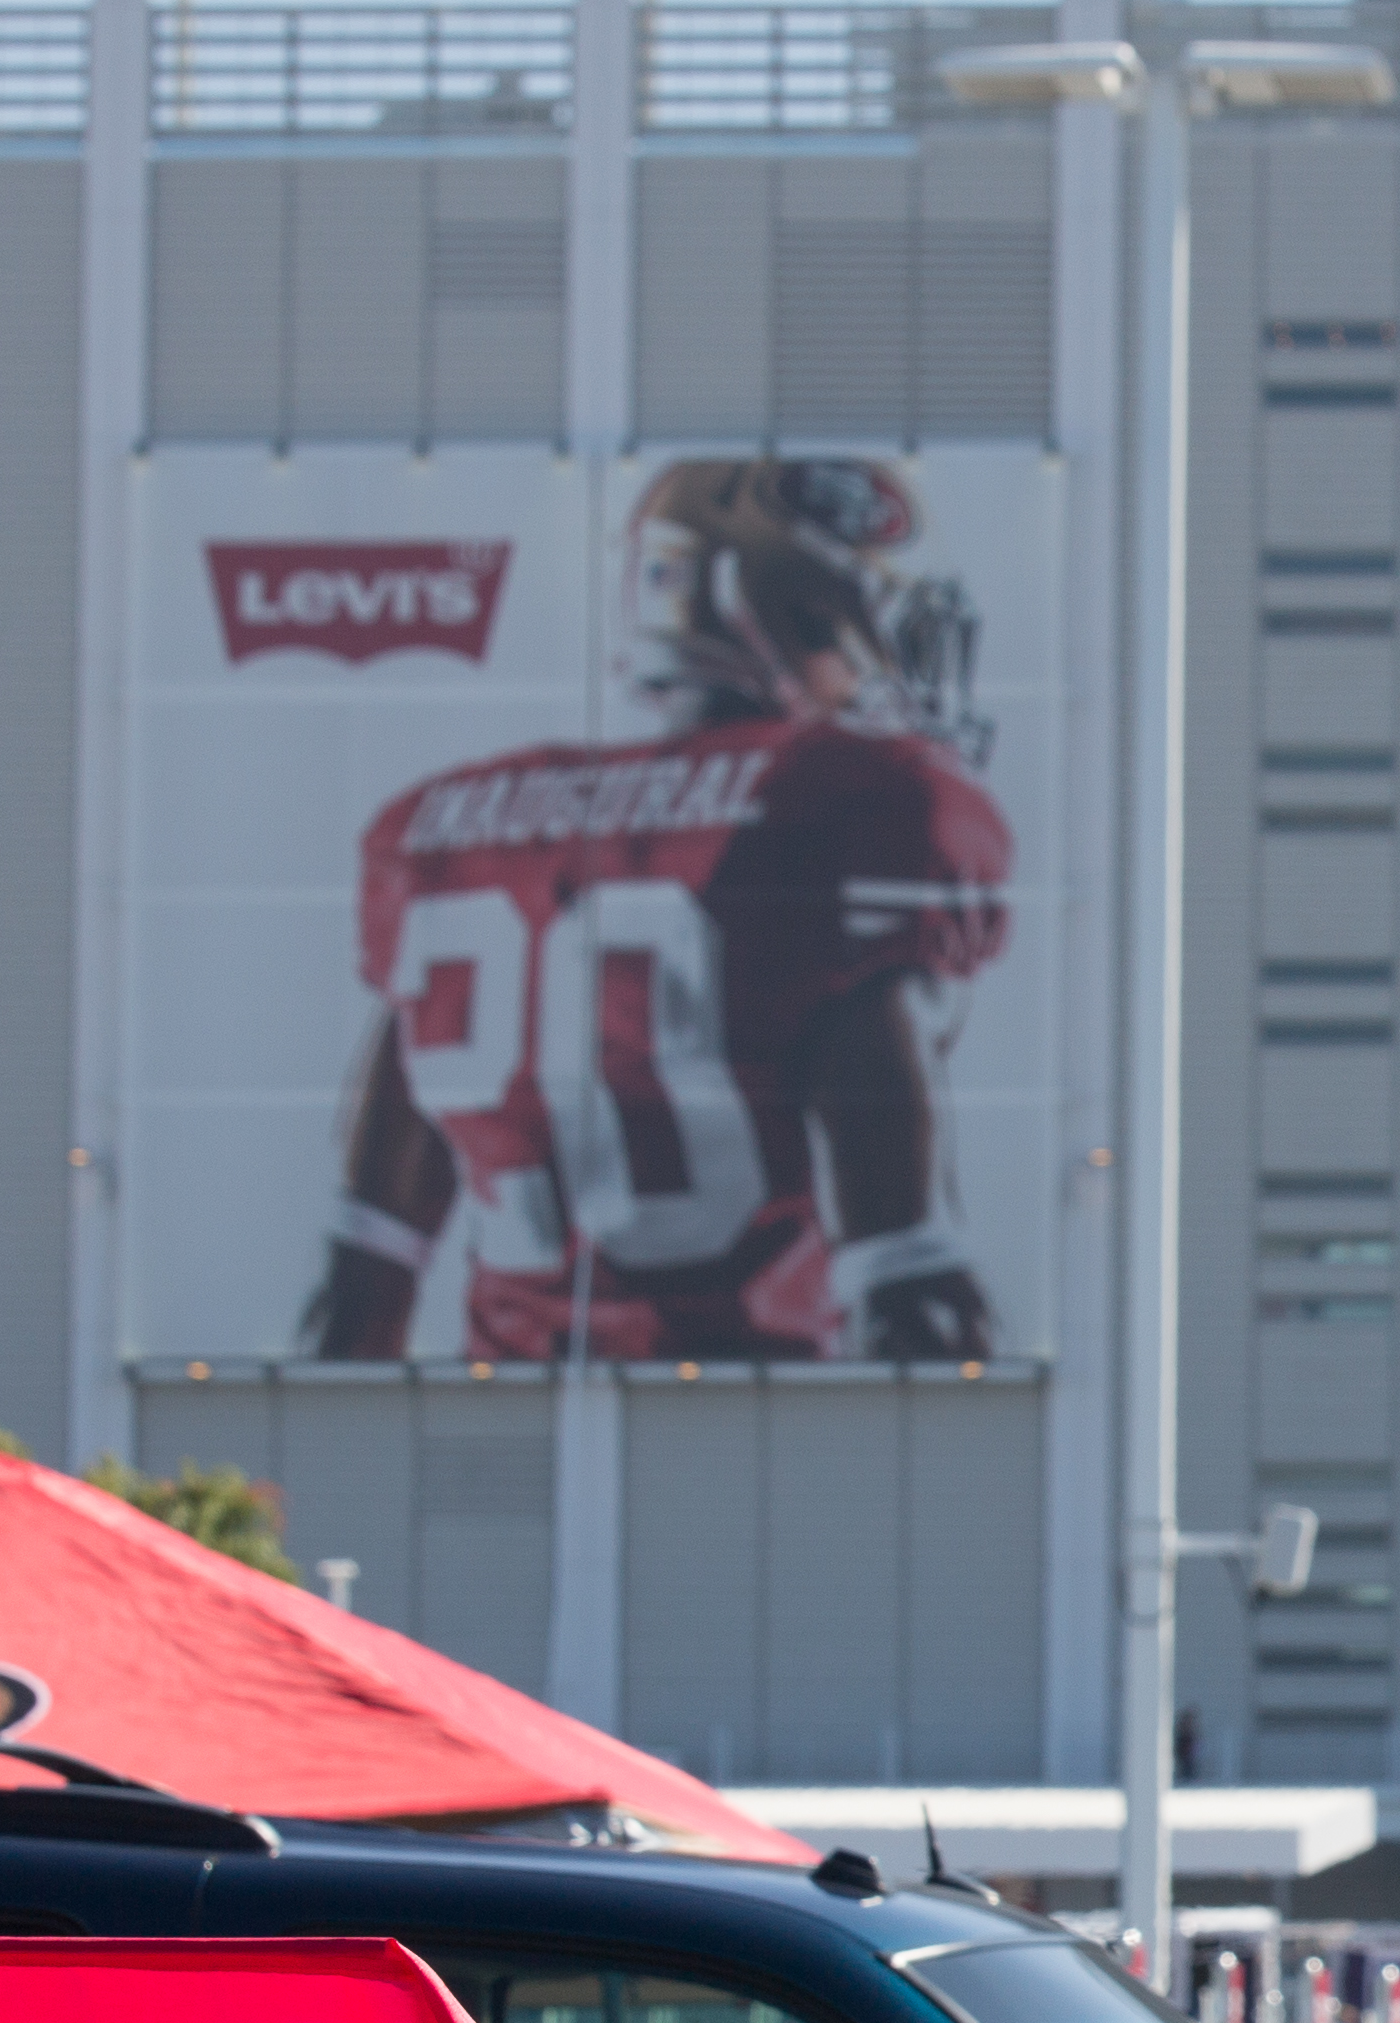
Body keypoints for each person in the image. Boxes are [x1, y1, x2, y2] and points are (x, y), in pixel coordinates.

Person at [307, 455, 1013, 1366]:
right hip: (759, 1399)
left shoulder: (446, 828)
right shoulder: (848, 800)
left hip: (512, 1393)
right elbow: (904, 1259)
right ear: (796, 618)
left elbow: (365, 1272)